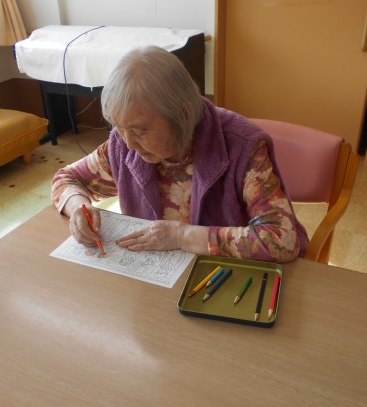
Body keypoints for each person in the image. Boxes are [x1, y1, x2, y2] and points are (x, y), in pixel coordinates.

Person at [52, 45, 309, 263]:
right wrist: (79, 208)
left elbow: (281, 240)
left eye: (140, 131)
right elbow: (66, 178)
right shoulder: (122, 144)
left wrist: (182, 236)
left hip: (226, 276)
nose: (129, 144)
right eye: (119, 128)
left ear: (183, 114)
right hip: (159, 275)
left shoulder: (243, 149)